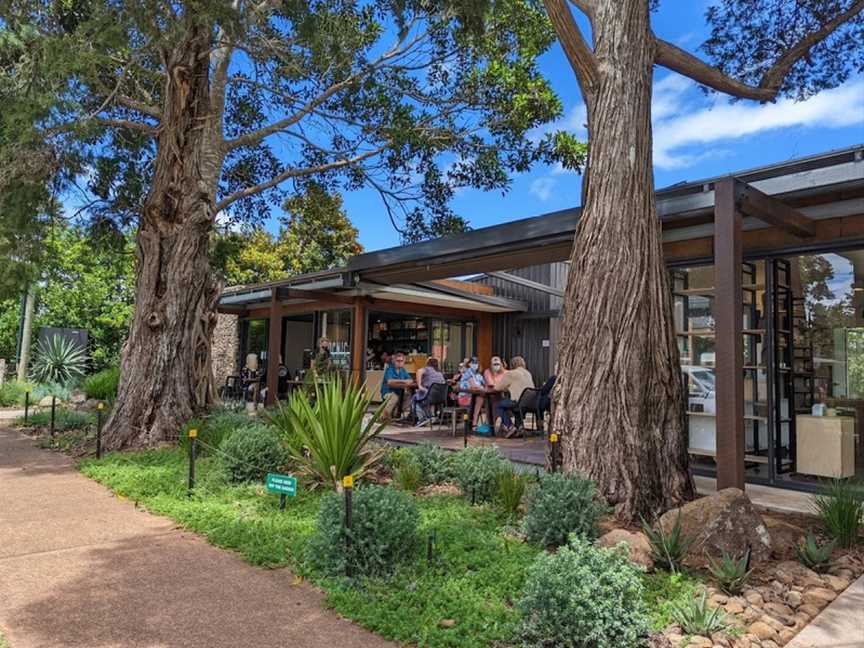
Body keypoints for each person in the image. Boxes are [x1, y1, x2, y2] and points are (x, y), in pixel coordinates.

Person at [494, 356, 535, 437]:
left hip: (519, 402)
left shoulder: (511, 373)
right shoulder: (528, 373)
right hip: (531, 403)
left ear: (512, 364)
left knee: (499, 405)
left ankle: (510, 426)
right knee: (515, 405)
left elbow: (497, 388)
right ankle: (519, 427)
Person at [412, 357, 446, 426]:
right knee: (424, 396)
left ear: (428, 363)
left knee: (415, 398)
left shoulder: (427, 369)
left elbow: (419, 371)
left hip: (429, 396)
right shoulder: (439, 373)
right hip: (440, 398)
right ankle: (430, 416)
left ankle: (422, 418)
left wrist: (419, 385)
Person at [380, 352, 413, 421]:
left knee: (410, 397)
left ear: (404, 362)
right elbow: (390, 381)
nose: (400, 362)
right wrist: (404, 381)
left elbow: (410, 380)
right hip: (388, 392)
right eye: (398, 361)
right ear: (394, 361)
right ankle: (384, 417)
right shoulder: (390, 369)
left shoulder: (403, 370)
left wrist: (405, 381)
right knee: (394, 397)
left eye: (401, 361)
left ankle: (395, 414)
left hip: (399, 392)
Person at [458, 357, 486, 425]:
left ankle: (486, 423)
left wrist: (482, 387)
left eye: (476, 363)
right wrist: (481, 387)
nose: (475, 365)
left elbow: (485, 385)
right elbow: (474, 386)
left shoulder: (479, 375)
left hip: (474, 397)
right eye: (473, 363)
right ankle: (474, 421)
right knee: (480, 398)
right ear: (469, 364)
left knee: (488, 400)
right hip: (465, 397)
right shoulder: (468, 373)